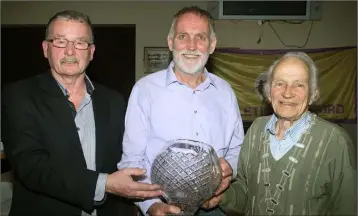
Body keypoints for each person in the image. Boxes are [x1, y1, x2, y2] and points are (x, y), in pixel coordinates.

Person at [1, 10, 163, 216]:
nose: (70, 51)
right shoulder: (18, 96)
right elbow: (31, 166)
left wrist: (153, 202)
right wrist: (104, 184)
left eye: (80, 43)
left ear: (91, 52)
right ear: (45, 48)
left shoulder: (114, 101)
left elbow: (133, 156)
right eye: (60, 41)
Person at [117, 6, 244, 216]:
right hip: (159, 205)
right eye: (183, 36)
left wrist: (229, 170)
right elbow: (132, 161)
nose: (191, 46)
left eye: (200, 37)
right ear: (170, 42)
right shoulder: (145, 90)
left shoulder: (225, 91)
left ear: (212, 45)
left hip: (213, 207)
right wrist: (151, 206)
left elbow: (237, 149)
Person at [202, 52, 357, 216]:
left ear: (312, 94)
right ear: (269, 92)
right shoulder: (256, 130)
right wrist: (221, 198)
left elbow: (347, 207)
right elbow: (245, 190)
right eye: (279, 83)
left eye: (298, 85)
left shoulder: (335, 140)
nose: (287, 93)